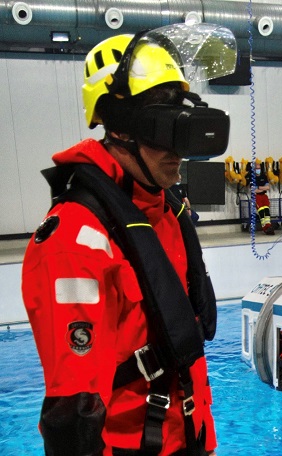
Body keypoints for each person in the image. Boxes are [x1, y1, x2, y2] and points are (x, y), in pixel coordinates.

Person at [21, 23, 237, 455]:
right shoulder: (75, 240)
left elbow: (181, 353)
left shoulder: (166, 212)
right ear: (119, 129)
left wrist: (205, 441)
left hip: (188, 440)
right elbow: (74, 408)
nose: (177, 149)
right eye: (163, 131)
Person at [248, 161, 275, 235]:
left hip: (264, 196)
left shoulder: (264, 176)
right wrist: (262, 188)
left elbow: (268, 187)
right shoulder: (252, 178)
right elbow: (254, 190)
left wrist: (259, 187)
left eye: (259, 168)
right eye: (257, 168)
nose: (258, 170)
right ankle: (265, 228)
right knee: (261, 211)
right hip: (256, 196)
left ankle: (269, 226)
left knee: (267, 211)